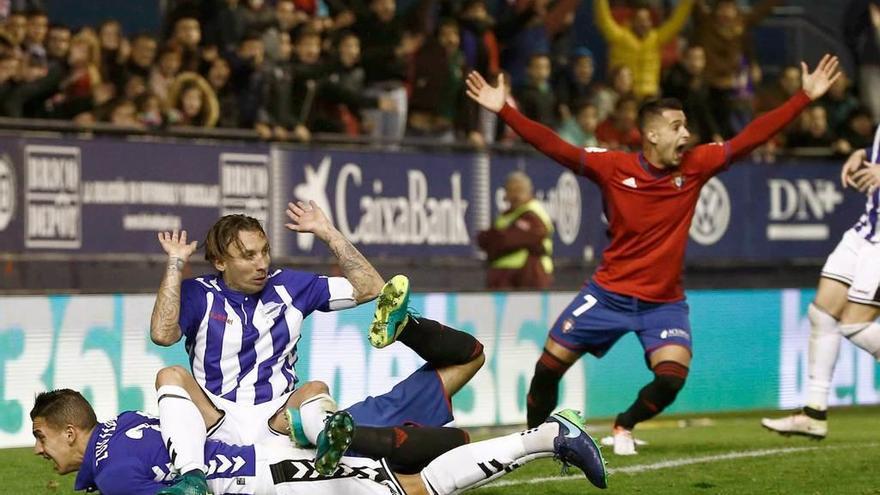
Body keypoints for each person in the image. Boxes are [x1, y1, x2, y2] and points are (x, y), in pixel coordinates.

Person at [465, 54, 841, 455]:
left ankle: (624, 424)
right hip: (607, 294)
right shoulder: (613, 167)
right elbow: (555, 146)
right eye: (677, 126)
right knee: (548, 368)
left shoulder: (696, 166)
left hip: (663, 302)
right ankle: (534, 442)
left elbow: (752, 137)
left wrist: (803, 97)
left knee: (672, 376)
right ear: (653, 135)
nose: (687, 133)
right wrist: (504, 109)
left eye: (687, 125)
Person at [151, 207, 485, 492]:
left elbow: (371, 289)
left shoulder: (290, 286)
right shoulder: (198, 293)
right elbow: (162, 335)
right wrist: (174, 266)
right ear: (220, 262)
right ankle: (192, 478)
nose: (261, 263)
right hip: (218, 418)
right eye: (248, 255)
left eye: (264, 251)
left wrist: (328, 232)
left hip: (279, 420)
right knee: (170, 375)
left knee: (315, 389)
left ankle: (330, 441)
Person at [30, 389, 607, 495]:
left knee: (413, 490)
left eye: (42, 436)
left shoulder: (112, 476)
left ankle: (548, 436)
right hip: (268, 461)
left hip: (273, 482)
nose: (37, 449)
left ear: (72, 431)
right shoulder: (128, 422)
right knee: (408, 483)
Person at [761, 129, 880, 439]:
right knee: (823, 314)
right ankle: (814, 413)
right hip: (866, 229)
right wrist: (866, 153)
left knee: (855, 326)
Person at [593, 0, 695, 99]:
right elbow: (603, 18)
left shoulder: (656, 39)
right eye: (640, 20)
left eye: (647, 20)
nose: (643, 23)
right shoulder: (619, 37)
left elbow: (676, 23)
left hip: (650, 97)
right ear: (632, 21)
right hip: (623, 97)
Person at [477, 171, 554, 290]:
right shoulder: (506, 215)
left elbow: (513, 238)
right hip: (502, 279)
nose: (514, 194)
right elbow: (483, 239)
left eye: (518, 189)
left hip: (529, 276)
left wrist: (498, 238)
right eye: (511, 189)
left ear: (527, 191)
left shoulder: (533, 213)